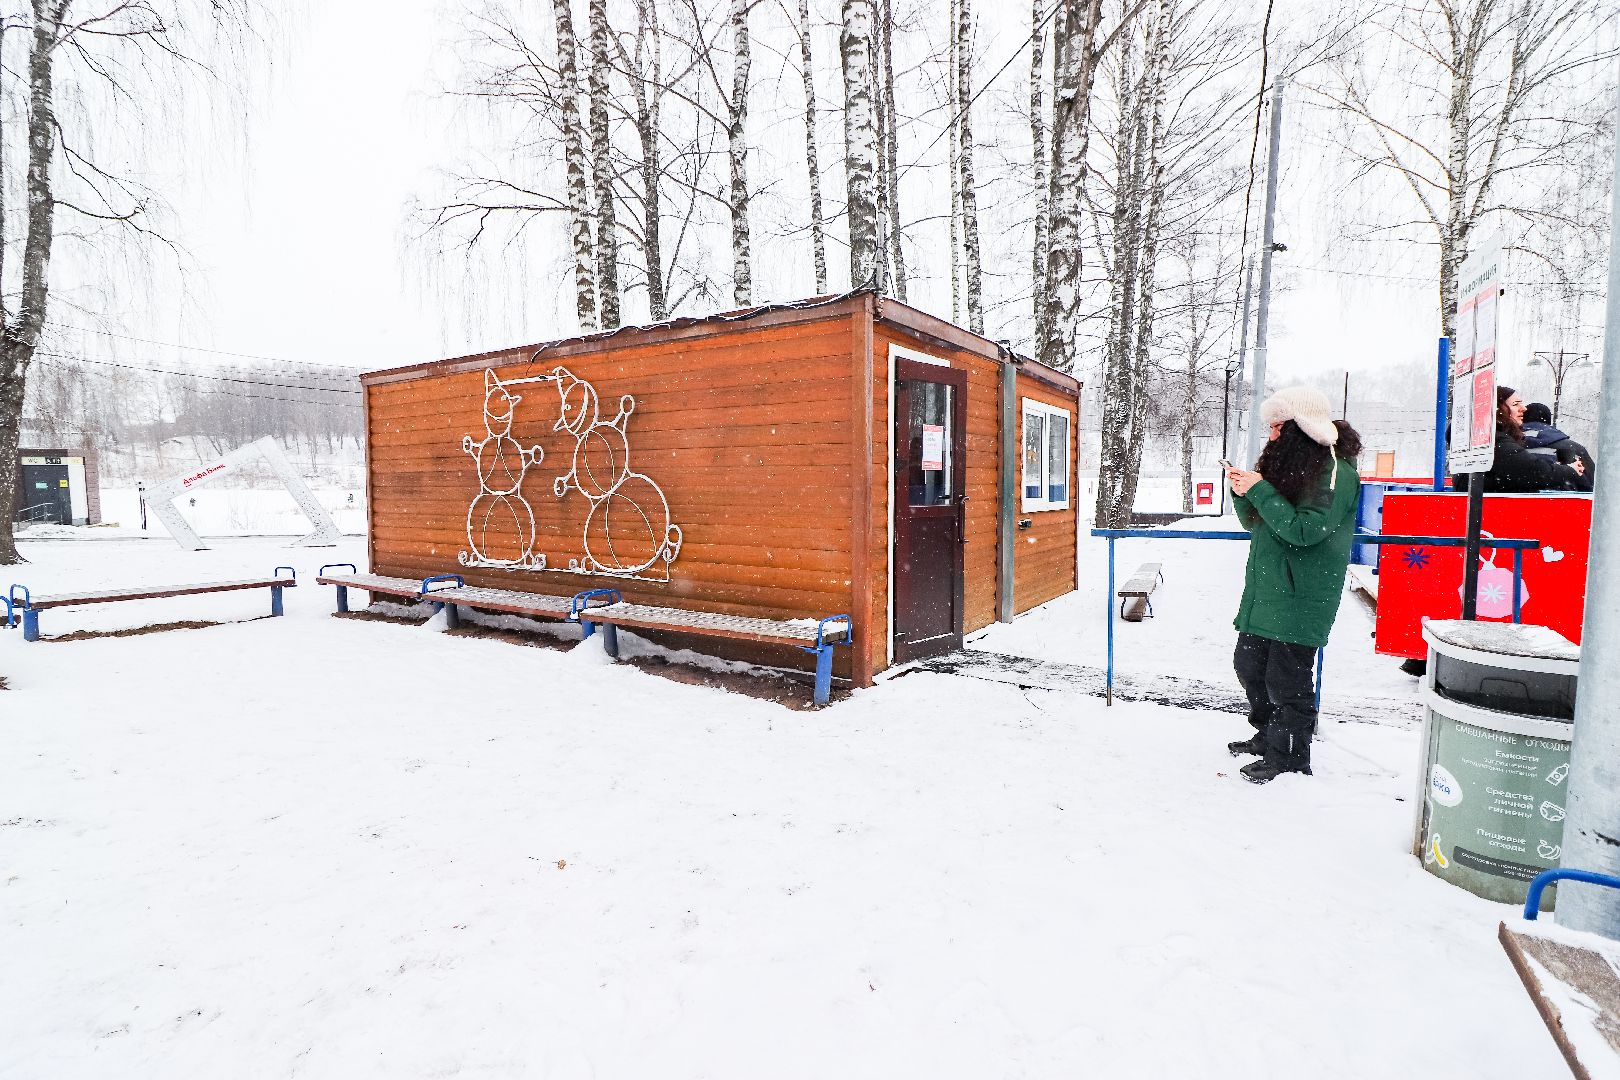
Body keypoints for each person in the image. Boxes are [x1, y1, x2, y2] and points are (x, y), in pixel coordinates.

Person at [1224, 386, 1363, 784]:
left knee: (1287, 681)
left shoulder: (1337, 474)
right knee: (1250, 666)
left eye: (1277, 427)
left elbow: (1305, 531)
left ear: (1301, 429)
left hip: (1302, 595)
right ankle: (1269, 735)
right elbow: (1256, 522)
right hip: (1267, 591)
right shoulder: (1293, 470)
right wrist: (1243, 493)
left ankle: (1289, 756)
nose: (1271, 436)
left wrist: (1261, 489)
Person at [1458, 387, 1584, 494]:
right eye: (1515, 404)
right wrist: (1570, 470)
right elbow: (1533, 471)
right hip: (1491, 513)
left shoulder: (1486, 438)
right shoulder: (1495, 441)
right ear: (1498, 410)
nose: (1523, 408)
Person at [1522, 401, 1594, 492]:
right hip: (1564, 502)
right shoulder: (1572, 448)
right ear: (1548, 420)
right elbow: (1592, 483)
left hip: (1515, 500)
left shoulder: (1507, 445)